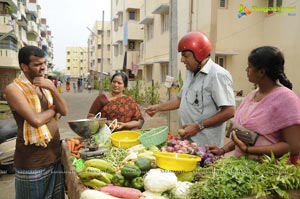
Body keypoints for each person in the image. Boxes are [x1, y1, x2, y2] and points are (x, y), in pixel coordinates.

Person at [206, 46, 300, 165]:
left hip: (267, 173)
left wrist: (249, 150)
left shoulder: (286, 99)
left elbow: (294, 146)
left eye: (250, 67)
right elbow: (243, 135)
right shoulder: (251, 96)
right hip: (243, 168)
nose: (246, 70)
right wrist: (222, 150)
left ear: (261, 72)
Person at [145, 31, 235, 147]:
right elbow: (180, 100)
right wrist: (158, 108)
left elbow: (229, 111)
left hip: (207, 147)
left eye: (185, 56)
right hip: (188, 143)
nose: (182, 60)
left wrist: (198, 126)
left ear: (199, 55)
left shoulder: (217, 75)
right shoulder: (191, 73)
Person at [4, 45, 68, 198]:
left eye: (44, 63)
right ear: (24, 67)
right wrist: (54, 109)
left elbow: (64, 111)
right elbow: (36, 120)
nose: (43, 67)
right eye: (37, 64)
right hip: (32, 163)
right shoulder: (13, 89)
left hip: (54, 157)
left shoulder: (45, 86)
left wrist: (52, 88)